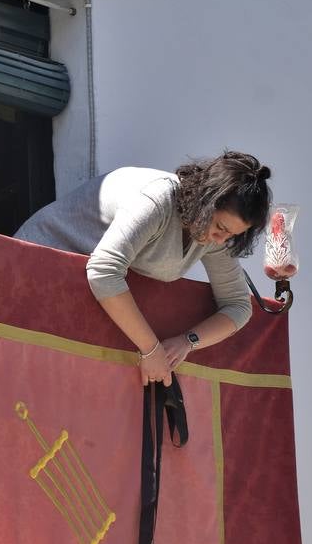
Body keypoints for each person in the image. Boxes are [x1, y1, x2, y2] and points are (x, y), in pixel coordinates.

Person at [14, 151, 271, 386]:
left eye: (232, 236)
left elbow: (238, 306)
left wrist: (187, 342)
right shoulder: (157, 200)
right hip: (33, 269)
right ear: (206, 202)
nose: (220, 241)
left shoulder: (214, 237)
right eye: (221, 228)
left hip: (76, 297)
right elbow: (104, 271)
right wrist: (151, 350)